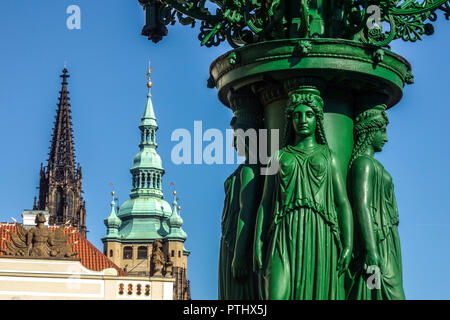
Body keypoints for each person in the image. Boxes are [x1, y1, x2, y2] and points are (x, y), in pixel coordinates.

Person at [254, 90, 353, 300]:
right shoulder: (278, 157)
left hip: (320, 232)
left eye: (309, 115)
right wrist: (258, 243)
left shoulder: (329, 157)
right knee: (276, 295)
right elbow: (265, 203)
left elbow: (342, 202)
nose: (303, 120)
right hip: (284, 230)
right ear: (290, 120)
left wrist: (348, 243)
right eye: (297, 115)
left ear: (317, 119)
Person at [347, 105, 405, 299]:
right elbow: (361, 206)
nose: (386, 138)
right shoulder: (363, 164)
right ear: (370, 131)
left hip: (387, 241)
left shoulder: (371, 164)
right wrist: (371, 250)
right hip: (377, 241)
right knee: (384, 292)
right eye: (383, 131)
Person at [218, 113, 262, 300]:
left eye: (236, 138)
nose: (233, 144)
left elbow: (247, 212)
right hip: (232, 241)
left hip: (236, 243)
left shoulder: (250, 170)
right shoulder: (247, 168)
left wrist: (240, 254)